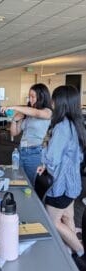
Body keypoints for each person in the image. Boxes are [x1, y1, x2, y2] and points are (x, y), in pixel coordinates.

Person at [37, 85, 86, 256]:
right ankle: (71, 253)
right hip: (73, 184)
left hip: (60, 186)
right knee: (67, 218)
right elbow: (77, 158)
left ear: (62, 102)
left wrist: (44, 148)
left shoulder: (62, 128)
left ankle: (80, 251)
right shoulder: (77, 124)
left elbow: (52, 160)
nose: (52, 102)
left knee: (53, 222)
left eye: (54, 99)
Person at [1, 83, 52, 185]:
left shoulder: (47, 111)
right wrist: (15, 120)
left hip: (35, 152)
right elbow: (14, 132)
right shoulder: (27, 113)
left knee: (29, 184)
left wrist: (14, 107)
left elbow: (37, 113)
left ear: (41, 97)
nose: (30, 99)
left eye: (33, 97)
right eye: (30, 96)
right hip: (21, 151)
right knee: (17, 179)